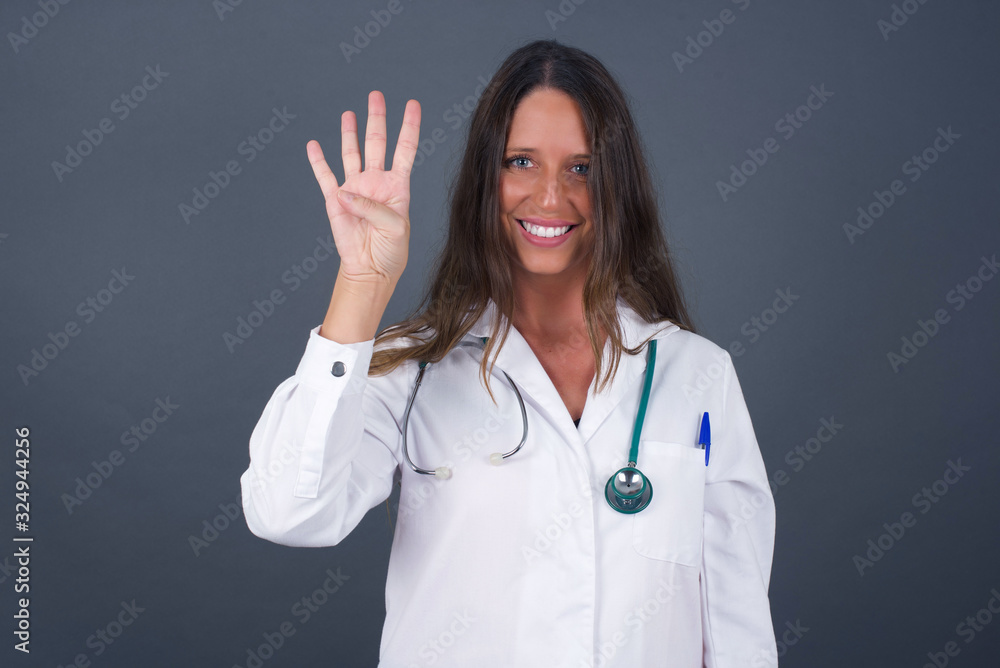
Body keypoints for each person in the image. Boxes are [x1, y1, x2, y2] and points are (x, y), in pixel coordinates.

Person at [241, 40, 777, 667]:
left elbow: (738, 631)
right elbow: (288, 512)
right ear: (483, 180)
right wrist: (361, 284)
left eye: (581, 168)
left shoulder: (698, 374)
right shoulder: (413, 368)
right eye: (521, 161)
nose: (550, 197)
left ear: (618, 187)